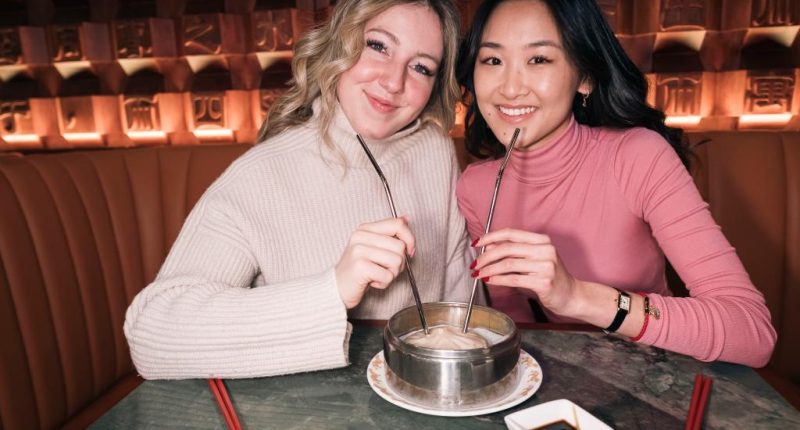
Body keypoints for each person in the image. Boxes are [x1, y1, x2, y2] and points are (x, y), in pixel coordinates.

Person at [124, 0, 473, 379]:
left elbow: (460, 314)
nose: (394, 82)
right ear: (340, 43)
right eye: (378, 46)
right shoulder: (261, 173)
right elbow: (150, 336)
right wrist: (333, 289)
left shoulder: (435, 151)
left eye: (421, 67)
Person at [455, 0, 776, 367]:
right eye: (493, 60)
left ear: (585, 78)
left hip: (655, 371)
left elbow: (751, 331)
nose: (510, 88)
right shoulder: (476, 187)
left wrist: (578, 297)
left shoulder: (637, 156)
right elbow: (515, 319)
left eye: (539, 59)